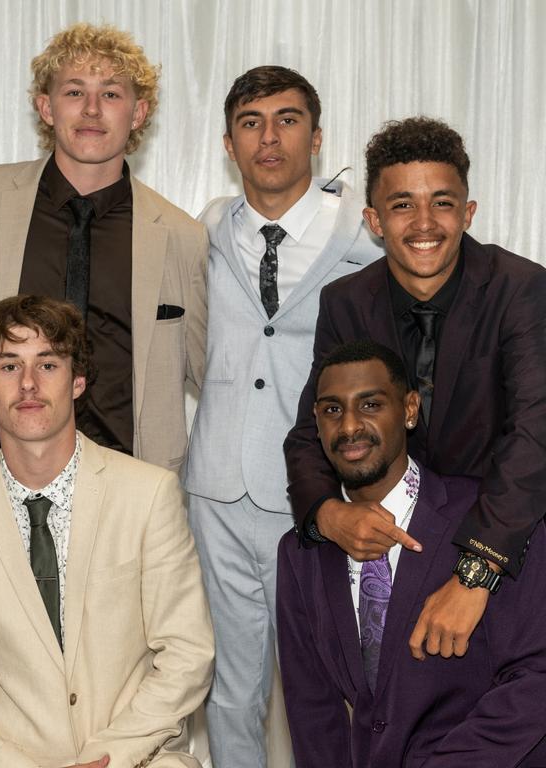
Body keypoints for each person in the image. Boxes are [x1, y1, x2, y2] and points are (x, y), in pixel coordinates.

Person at [0, 294, 214, 768]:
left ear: (78, 381)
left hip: (138, 759)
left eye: (47, 364)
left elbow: (188, 653)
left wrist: (112, 756)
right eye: (9, 366)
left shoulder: (148, 495)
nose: (28, 383)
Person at [284, 117, 546, 660]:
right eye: (402, 205)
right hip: (395, 544)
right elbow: (314, 428)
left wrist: (477, 573)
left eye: (443, 203)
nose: (424, 223)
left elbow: (534, 434)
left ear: (468, 212)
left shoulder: (521, 289)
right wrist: (330, 516)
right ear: (374, 220)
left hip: (507, 539)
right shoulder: (346, 302)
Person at [182, 66, 382, 767]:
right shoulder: (202, 229)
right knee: (231, 687)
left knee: (331, 679)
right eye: (251, 122)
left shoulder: (364, 237)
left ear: (317, 137)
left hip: (319, 493)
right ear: (231, 145)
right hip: (216, 490)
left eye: (288, 119)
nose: (270, 137)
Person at [0, 22, 208, 479]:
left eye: (110, 94)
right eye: (73, 92)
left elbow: (207, 374)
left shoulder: (182, 235)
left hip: (131, 481)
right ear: (45, 107)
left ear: (139, 111)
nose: (91, 110)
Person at [277, 340, 546, 767]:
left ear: (409, 409)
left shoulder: (489, 521)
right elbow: (313, 706)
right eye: (332, 410)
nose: (349, 427)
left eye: (369, 405)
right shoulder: (300, 551)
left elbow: (535, 677)